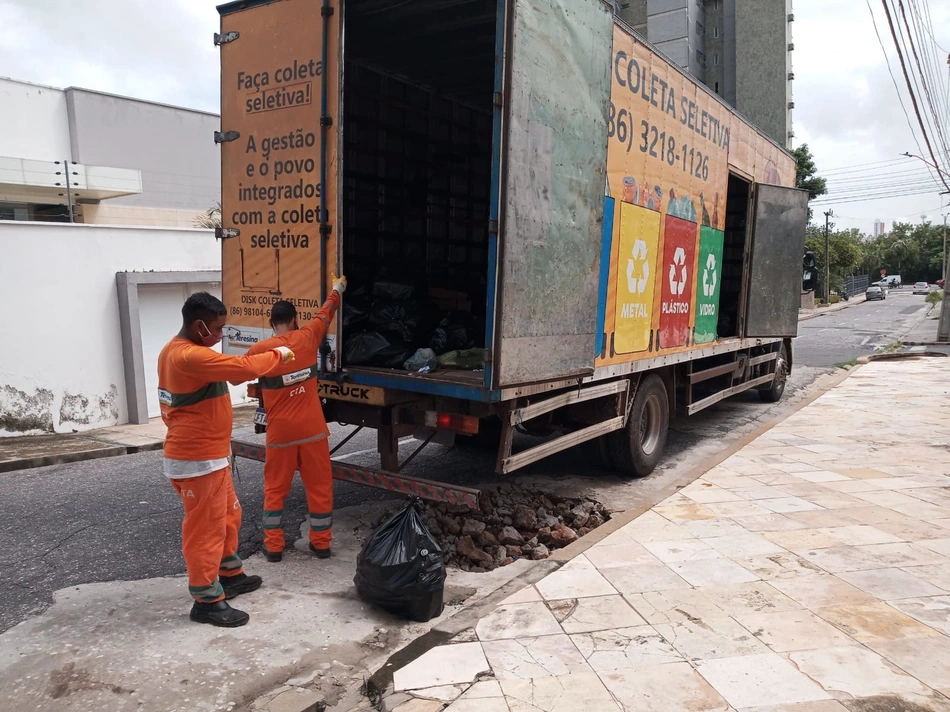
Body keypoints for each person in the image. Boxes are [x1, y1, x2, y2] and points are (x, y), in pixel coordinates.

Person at [158, 291, 296, 628]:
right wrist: (279, 350)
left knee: (229, 515)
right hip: (196, 458)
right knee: (204, 530)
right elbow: (240, 370)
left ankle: (229, 573)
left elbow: (233, 372)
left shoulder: (186, 352)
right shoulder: (188, 356)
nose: (222, 335)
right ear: (199, 325)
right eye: (218, 329)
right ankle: (206, 600)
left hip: (209, 455)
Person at [245, 275, 346, 563]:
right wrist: (338, 287)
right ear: (295, 319)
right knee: (320, 488)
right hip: (313, 432)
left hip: (280, 436)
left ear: (271, 323)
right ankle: (321, 544)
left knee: (275, 491)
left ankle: (274, 548)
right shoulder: (308, 335)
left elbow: (235, 374)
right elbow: (327, 311)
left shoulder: (260, 351)